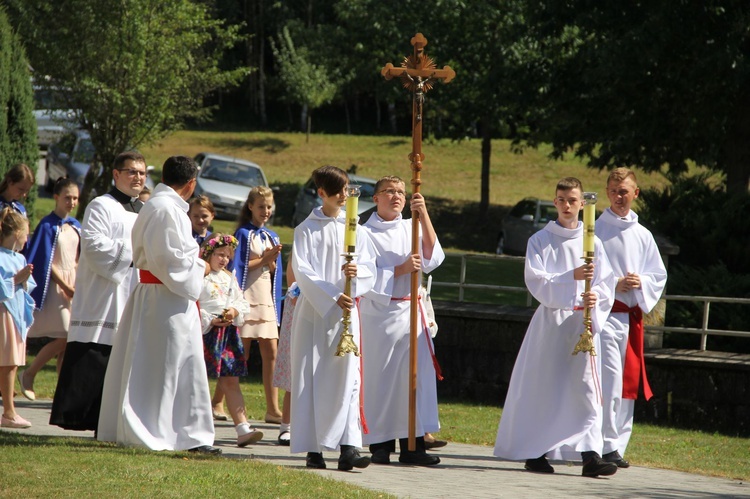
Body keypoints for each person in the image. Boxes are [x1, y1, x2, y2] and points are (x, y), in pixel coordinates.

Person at [494, 177, 618, 478]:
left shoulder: (594, 243)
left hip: (582, 323)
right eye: (561, 200)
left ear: (581, 204)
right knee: (545, 386)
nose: (566, 205)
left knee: (587, 387)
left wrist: (595, 296)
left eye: (572, 200)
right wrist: (572, 276)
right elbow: (537, 282)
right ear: (554, 202)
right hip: (553, 322)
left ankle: (590, 456)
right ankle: (536, 452)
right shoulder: (539, 240)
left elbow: (606, 283)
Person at [98, 155, 218, 454]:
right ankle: (160, 431)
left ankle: (189, 434)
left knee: (179, 365)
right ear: (191, 184)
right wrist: (200, 268)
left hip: (163, 295)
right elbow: (169, 261)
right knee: (165, 367)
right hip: (165, 296)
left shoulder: (158, 205)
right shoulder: (166, 209)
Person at [49, 151, 145, 431]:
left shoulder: (145, 210)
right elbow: (94, 246)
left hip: (133, 291)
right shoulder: (101, 206)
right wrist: (138, 254)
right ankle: (83, 418)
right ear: (116, 174)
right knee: (96, 353)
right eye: (132, 171)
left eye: (141, 172)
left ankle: (116, 420)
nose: (138, 177)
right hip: (105, 293)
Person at [290, 165, 377, 471]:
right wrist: (331, 294)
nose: (344, 195)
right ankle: (314, 449)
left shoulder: (355, 227)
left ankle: (349, 447)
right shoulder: (306, 230)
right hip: (316, 314)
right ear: (322, 193)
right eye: (338, 190)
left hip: (347, 314)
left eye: (346, 189)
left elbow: (371, 266)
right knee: (313, 379)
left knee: (349, 379)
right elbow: (303, 271)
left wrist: (359, 273)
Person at [360, 176, 444, 466]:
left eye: (400, 193)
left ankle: (413, 446)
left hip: (412, 313)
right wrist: (400, 269)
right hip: (381, 315)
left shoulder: (412, 226)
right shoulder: (364, 232)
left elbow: (433, 256)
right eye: (389, 192)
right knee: (382, 380)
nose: (396, 197)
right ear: (376, 198)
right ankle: (380, 445)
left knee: (414, 381)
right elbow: (363, 275)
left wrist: (424, 214)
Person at [595, 167, 667, 468]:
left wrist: (641, 283)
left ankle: (618, 445)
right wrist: (613, 285)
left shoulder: (643, 234)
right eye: (613, 190)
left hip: (632, 318)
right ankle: (604, 444)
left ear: (635, 193)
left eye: (623, 190)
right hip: (606, 315)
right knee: (611, 381)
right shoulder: (596, 230)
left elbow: (658, 274)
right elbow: (586, 270)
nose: (618, 196)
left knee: (628, 383)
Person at [198, 233, 264, 447]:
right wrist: (210, 320)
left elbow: (241, 302)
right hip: (204, 333)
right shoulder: (201, 277)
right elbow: (193, 304)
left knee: (230, 379)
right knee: (196, 379)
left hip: (226, 334)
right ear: (208, 254)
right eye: (219, 254)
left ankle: (243, 428)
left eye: (227, 255)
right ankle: (195, 427)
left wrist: (233, 311)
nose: (224, 259)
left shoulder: (228, 278)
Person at [224, 186, 283, 424]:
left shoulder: (271, 236)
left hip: (265, 298)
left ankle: (273, 408)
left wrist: (271, 264)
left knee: (272, 352)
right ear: (250, 207)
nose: (265, 211)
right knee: (242, 352)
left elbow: (271, 271)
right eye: (261, 207)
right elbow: (236, 268)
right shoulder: (243, 234)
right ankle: (220, 402)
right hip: (247, 297)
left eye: (269, 207)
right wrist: (265, 259)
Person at [19, 178, 81, 399]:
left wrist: (76, 282)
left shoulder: (75, 225)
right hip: (55, 286)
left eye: (75, 198)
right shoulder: (47, 225)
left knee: (69, 342)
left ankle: (62, 392)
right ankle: (29, 373)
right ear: (56, 197)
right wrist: (65, 285)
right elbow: (45, 262)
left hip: (73, 285)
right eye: (67, 197)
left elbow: (76, 258)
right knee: (65, 336)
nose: (71, 202)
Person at [0, 208, 36, 428]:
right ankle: (9, 412)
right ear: (16, 234)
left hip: (15, 316)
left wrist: (24, 279)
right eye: (26, 234)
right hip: (4, 314)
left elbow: (28, 286)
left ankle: (9, 411)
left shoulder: (20, 257)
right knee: (7, 362)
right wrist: (16, 280)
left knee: (11, 363)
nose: (27, 239)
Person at [272, 258, 296, 446]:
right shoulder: (304, 238)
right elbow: (293, 281)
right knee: (294, 371)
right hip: (300, 306)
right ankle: (286, 426)